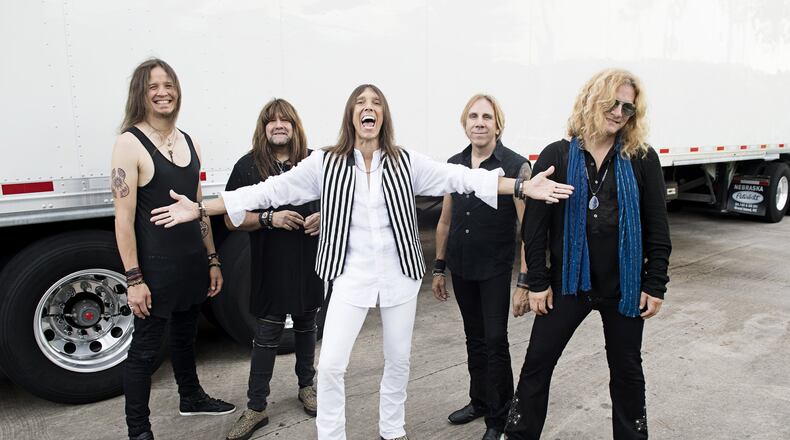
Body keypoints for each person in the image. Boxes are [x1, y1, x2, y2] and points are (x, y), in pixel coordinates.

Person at [149, 84, 572, 440]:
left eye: (376, 103)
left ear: (383, 116)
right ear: (351, 115)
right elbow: (267, 191)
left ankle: (392, 430)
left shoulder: (405, 161)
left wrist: (521, 186)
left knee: (398, 361)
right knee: (331, 365)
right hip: (350, 278)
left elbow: (462, 177)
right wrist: (202, 208)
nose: (368, 108)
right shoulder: (325, 162)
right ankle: (332, 434)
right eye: (360, 103)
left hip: (401, 276)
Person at [505, 69, 671, 439]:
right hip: (568, 284)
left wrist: (655, 283)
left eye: (628, 107)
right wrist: (537, 283)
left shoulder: (641, 158)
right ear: (592, 100)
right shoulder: (558, 155)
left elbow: (658, 227)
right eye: (613, 103)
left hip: (624, 288)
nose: (619, 113)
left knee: (627, 373)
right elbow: (535, 228)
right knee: (537, 365)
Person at [111, 58, 235, 440]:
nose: (163, 92)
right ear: (141, 93)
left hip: (192, 264)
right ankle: (138, 431)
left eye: (169, 85)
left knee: (185, 336)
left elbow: (198, 208)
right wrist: (134, 279)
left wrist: (212, 258)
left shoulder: (189, 141)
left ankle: (191, 397)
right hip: (156, 270)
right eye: (153, 86)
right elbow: (123, 220)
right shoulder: (129, 143)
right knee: (145, 353)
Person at [432, 94, 530, 440]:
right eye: (473, 116)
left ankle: (500, 417)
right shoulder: (453, 164)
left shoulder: (516, 166)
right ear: (465, 124)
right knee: (473, 338)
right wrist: (439, 268)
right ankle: (480, 401)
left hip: (494, 268)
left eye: (487, 117)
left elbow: (528, 230)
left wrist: (525, 281)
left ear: (497, 125)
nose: (479, 123)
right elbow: (445, 221)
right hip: (461, 266)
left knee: (495, 340)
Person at [223, 98, 323, 440]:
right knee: (266, 335)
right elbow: (231, 219)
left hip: (309, 263)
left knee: (308, 326)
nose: (279, 125)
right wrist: (270, 218)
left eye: (286, 120)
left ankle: (307, 387)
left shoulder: (313, 162)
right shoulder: (248, 166)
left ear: (295, 127)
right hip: (269, 266)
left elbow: (341, 202)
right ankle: (256, 407)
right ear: (263, 127)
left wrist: (324, 217)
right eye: (272, 120)